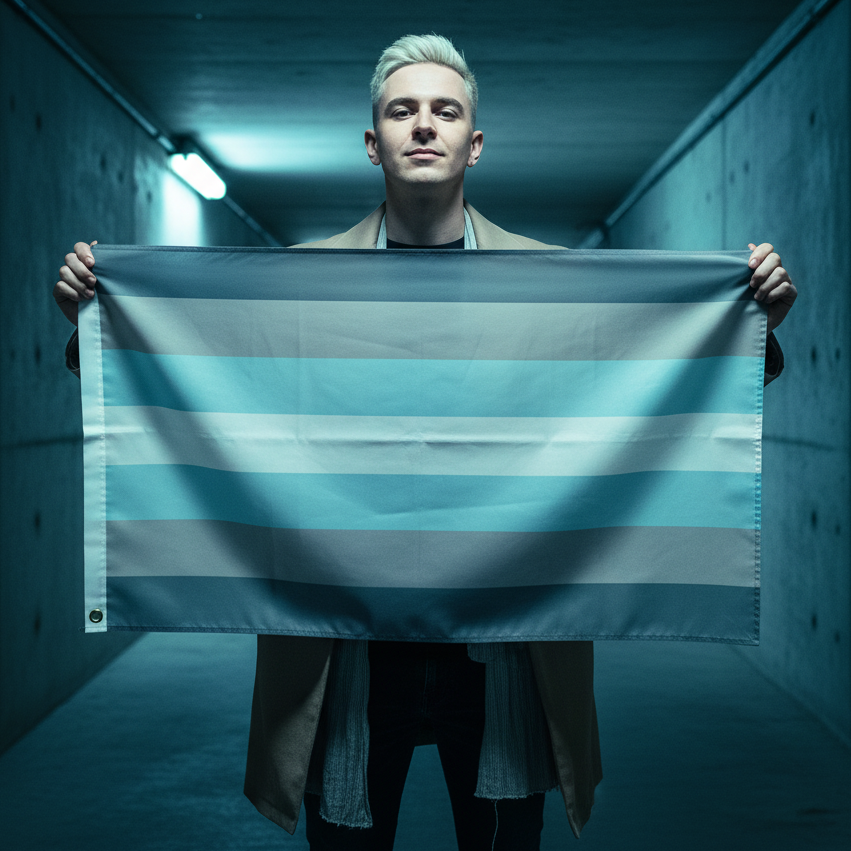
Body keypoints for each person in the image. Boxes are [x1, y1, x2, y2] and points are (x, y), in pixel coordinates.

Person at [53, 34, 797, 851]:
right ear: (372, 142)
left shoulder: (555, 284)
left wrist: (751, 319)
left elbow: (658, 386)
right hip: (348, 656)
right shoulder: (296, 284)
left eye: (445, 111)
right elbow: (189, 375)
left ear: (473, 143)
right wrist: (95, 317)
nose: (423, 126)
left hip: (504, 653)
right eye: (401, 111)